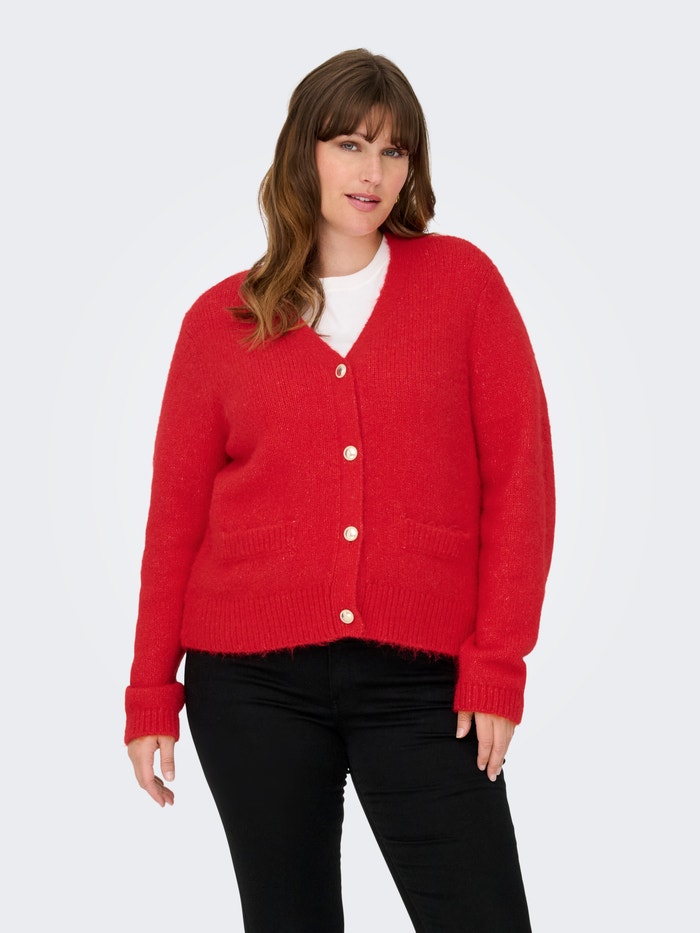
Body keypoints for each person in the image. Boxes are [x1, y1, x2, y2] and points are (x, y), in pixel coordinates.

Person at [125, 48, 555, 933]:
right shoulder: (220, 321)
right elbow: (174, 520)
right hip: (249, 683)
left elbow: (522, 482)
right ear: (304, 153)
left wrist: (497, 663)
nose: (373, 172)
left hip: (425, 680)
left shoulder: (463, 286)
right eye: (351, 144)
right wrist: (149, 690)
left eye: (394, 151)